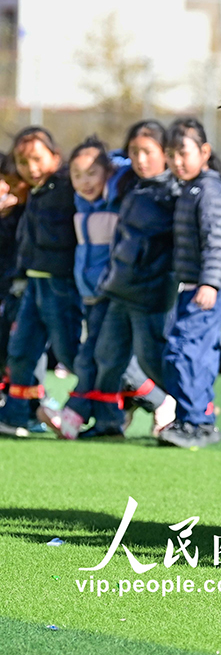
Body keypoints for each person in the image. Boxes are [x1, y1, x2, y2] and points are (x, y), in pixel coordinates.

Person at [37, 136, 172, 440]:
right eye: (77, 175)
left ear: (107, 174)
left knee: (98, 357)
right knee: (102, 358)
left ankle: (84, 414)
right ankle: (114, 416)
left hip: (111, 292)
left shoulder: (116, 202)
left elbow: (126, 169)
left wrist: (118, 164)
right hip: (88, 293)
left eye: (91, 174)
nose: (84, 182)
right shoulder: (79, 204)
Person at [88, 121, 179, 440]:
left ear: (166, 153)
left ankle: (187, 415)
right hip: (120, 288)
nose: (140, 160)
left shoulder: (176, 191)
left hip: (152, 294)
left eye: (148, 152)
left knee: (153, 360)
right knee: (107, 357)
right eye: (134, 152)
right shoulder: (131, 185)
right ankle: (107, 423)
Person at [156, 118, 221, 448]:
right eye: (171, 155)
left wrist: (210, 283)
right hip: (197, 284)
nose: (177, 161)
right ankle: (195, 419)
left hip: (208, 287)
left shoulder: (209, 193)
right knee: (195, 352)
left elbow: (217, 242)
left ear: (204, 152)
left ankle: (195, 422)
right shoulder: (191, 189)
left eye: (183, 153)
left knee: (185, 350)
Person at [0, 128, 81, 437]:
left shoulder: (66, 187)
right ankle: (16, 415)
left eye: (37, 159)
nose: (30, 168)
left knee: (70, 353)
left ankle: (131, 398)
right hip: (32, 284)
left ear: (55, 157)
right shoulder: (35, 192)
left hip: (60, 285)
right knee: (21, 351)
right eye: (23, 162)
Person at [0, 152, 29, 384]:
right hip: (7, 284)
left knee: (20, 343)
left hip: (18, 285)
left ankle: (30, 395)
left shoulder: (27, 210)